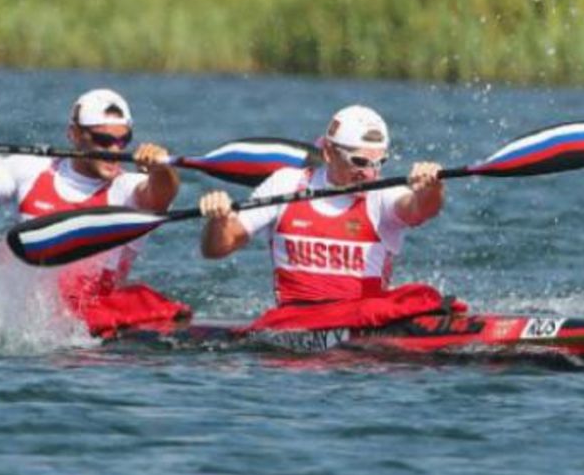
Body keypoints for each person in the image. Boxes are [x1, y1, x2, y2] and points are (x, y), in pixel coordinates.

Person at [0, 88, 189, 333]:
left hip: (88, 321)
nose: (115, 150)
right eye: (104, 140)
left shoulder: (127, 190)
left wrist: (161, 168)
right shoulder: (30, 169)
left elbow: (161, 196)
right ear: (74, 134)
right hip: (22, 312)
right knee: (4, 254)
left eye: (124, 141)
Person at [198, 104, 466, 330]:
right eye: (359, 162)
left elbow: (420, 209)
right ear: (328, 152)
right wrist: (218, 220)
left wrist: (432, 188)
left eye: (379, 163)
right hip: (296, 323)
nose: (370, 173)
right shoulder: (286, 184)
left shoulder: (382, 194)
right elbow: (216, 249)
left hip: (367, 324)